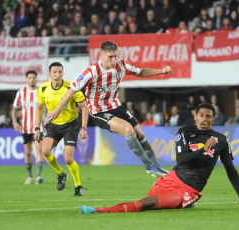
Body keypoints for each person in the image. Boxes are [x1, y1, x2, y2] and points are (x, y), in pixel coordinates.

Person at [80, 103, 239, 214]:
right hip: (171, 179)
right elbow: (181, 160)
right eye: (201, 115)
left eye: (208, 116)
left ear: (213, 119)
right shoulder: (185, 132)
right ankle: (186, 205)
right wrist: (202, 149)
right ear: (195, 116)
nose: (203, 119)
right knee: (151, 203)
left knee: (147, 203)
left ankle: (98, 211)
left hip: (188, 190)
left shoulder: (221, 140)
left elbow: (231, 170)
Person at [47, 41, 171, 177]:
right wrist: (58, 110)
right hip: (99, 111)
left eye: (115, 56)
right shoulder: (92, 72)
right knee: (128, 130)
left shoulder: (122, 66)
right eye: (110, 57)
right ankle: (149, 166)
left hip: (117, 106)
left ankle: (157, 169)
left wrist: (161, 71)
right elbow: (71, 90)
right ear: (101, 56)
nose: (114, 60)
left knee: (140, 134)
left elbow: (140, 72)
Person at [34, 62, 88, 196]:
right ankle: (61, 173)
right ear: (49, 74)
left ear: (63, 73)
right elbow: (39, 108)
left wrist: (84, 127)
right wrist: (37, 128)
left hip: (70, 125)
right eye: (54, 72)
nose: (57, 75)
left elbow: (84, 107)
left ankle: (78, 184)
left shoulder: (72, 87)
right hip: (53, 124)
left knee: (68, 159)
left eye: (60, 72)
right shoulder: (43, 88)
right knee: (45, 151)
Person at [12, 70, 44, 185]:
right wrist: (14, 122)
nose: (32, 80)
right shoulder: (21, 92)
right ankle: (30, 176)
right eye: (29, 78)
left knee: (39, 150)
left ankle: (39, 176)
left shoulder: (41, 91)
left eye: (34, 77)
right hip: (25, 127)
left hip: (38, 127)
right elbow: (15, 108)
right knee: (28, 152)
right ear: (26, 79)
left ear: (36, 78)